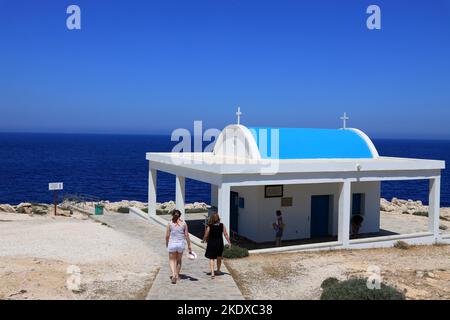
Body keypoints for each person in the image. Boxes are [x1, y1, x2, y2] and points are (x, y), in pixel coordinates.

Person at [165, 209, 192, 284]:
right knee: (179, 260)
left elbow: (167, 235)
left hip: (172, 243)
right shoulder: (184, 223)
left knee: (172, 260)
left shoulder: (169, 223)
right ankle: (177, 275)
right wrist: (189, 245)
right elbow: (186, 235)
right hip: (181, 244)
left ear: (172, 215)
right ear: (180, 215)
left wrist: (167, 243)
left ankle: (173, 275)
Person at [203, 213, 231, 279]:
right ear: (218, 218)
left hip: (211, 243)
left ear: (212, 218)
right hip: (219, 243)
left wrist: (203, 239)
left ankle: (212, 272)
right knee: (219, 257)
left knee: (211, 258)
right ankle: (218, 270)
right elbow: (225, 234)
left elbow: (206, 234)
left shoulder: (209, 226)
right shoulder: (222, 225)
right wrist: (229, 242)